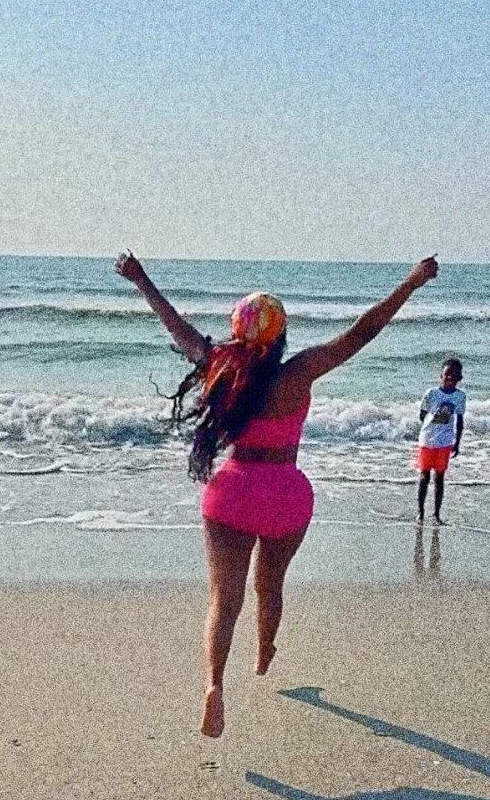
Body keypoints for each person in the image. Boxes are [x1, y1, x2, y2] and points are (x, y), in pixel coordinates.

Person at [115, 250, 439, 737]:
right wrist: (410, 283)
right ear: (282, 336)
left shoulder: (220, 366)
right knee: (270, 586)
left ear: (237, 331)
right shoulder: (299, 373)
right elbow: (361, 332)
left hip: (233, 493)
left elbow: (175, 325)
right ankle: (264, 651)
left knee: (224, 601)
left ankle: (213, 686)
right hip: (286, 495)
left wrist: (141, 280)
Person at [416, 358, 466, 525]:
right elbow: (422, 414)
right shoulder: (431, 393)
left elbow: (459, 422)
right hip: (428, 440)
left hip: (445, 442)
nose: (450, 377)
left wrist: (457, 443)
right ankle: (421, 512)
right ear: (441, 375)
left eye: (454, 374)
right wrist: (430, 427)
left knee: (439, 478)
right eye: (447, 373)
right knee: (424, 476)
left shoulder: (460, 397)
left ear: (460, 378)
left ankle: (436, 514)